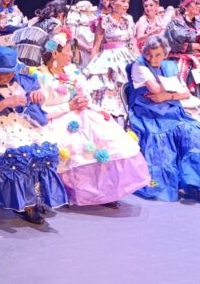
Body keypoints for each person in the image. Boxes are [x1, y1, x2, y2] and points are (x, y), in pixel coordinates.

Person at [36, 30, 150, 207]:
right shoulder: (40, 77)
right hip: (57, 120)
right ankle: (76, 191)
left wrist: (91, 105)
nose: (72, 55)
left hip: (83, 113)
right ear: (55, 53)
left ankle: (105, 191)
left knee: (106, 137)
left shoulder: (72, 71)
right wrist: (68, 106)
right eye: (68, 51)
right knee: (76, 145)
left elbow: (85, 95)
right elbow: (41, 112)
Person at [128, 36, 200, 208]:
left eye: (157, 55)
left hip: (173, 113)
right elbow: (155, 92)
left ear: (165, 54)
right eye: (149, 54)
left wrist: (167, 95)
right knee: (168, 137)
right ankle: (196, 185)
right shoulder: (139, 65)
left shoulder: (170, 66)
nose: (153, 59)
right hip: (149, 115)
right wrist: (168, 93)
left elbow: (184, 93)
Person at [0, 46, 67, 224]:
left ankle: (38, 198)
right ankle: (26, 205)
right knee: (19, 153)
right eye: (2, 73)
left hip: (20, 122)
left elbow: (35, 91)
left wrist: (37, 94)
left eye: (10, 72)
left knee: (43, 149)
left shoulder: (19, 78)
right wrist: (5, 103)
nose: (7, 76)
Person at [84, 0, 138, 119]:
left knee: (128, 84)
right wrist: (90, 68)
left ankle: (129, 117)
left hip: (127, 57)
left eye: (128, 2)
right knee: (110, 88)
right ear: (113, 4)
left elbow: (132, 43)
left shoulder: (129, 20)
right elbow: (96, 46)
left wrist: (140, 60)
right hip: (108, 59)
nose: (126, 5)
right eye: (123, 1)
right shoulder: (104, 20)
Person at [66, 0, 98, 68]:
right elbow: (72, 37)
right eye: (87, 11)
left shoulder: (93, 19)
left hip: (92, 50)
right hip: (78, 50)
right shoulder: (73, 19)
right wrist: (86, 48)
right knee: (78, 68)